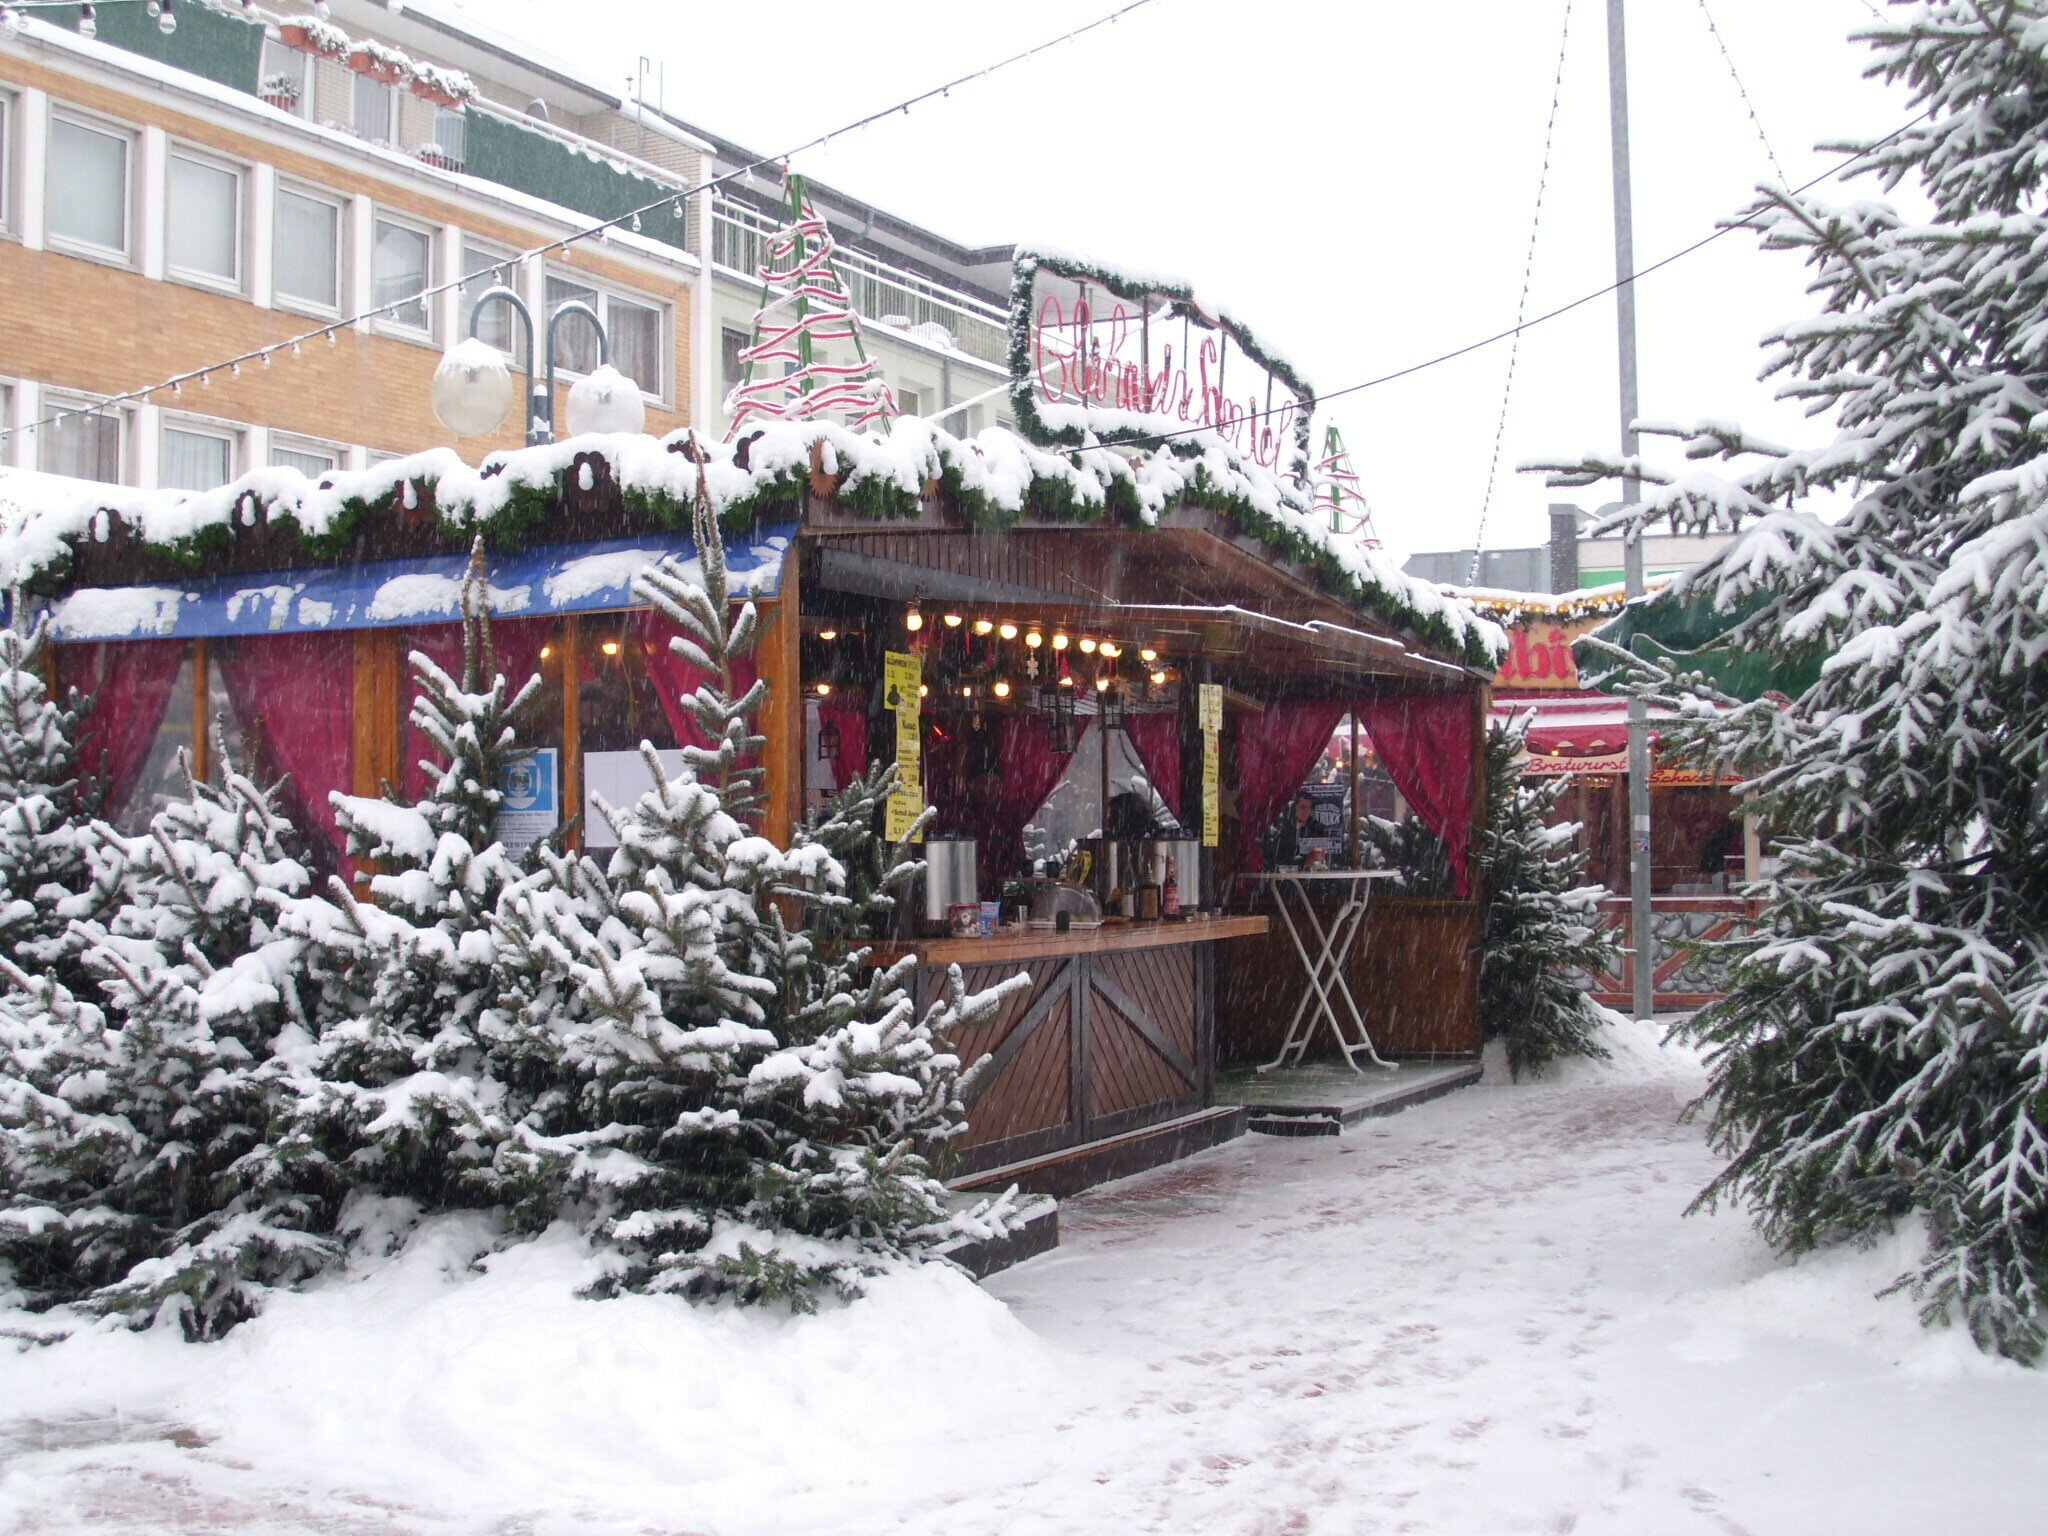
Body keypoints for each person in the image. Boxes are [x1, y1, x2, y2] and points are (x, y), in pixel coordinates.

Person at [1262, 790, 1317, 869]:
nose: (1306, 812)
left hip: (1305, 874)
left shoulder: (1314, 828)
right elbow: (1272, 855)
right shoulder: (1280, 828)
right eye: (1303, 807)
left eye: (1309, 808)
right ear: (1294, 808)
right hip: (1281, 873)